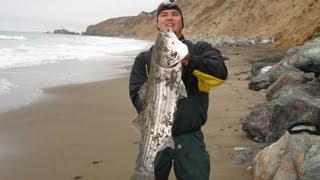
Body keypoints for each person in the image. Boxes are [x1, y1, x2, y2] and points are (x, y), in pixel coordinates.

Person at [129, 2, 228, 180]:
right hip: (154, 135)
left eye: (175, 14)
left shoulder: (200, 49)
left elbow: (220, 75)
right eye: (164, 15)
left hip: (190, 136)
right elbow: (136, 94)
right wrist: (158, 103)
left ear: (182, 21)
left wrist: (189, 61)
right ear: (157, 23)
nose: (169, 18)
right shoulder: (144, 59)